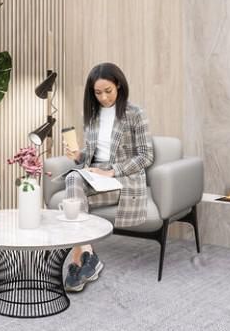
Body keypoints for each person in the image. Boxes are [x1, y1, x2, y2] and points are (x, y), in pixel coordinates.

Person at [63, 62, 154, 292]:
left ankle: (77, 261)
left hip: (122, 177)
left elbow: (146, 156)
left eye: (108, 91)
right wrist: (78, 155)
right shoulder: (91, 115)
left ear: (119, 86)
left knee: (72, 201)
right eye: (97, 93)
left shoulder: (135, 113)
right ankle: (88, 254)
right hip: (95, 174)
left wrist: (112, 171)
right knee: (72, 178)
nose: (103, 97)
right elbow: (92, 151)